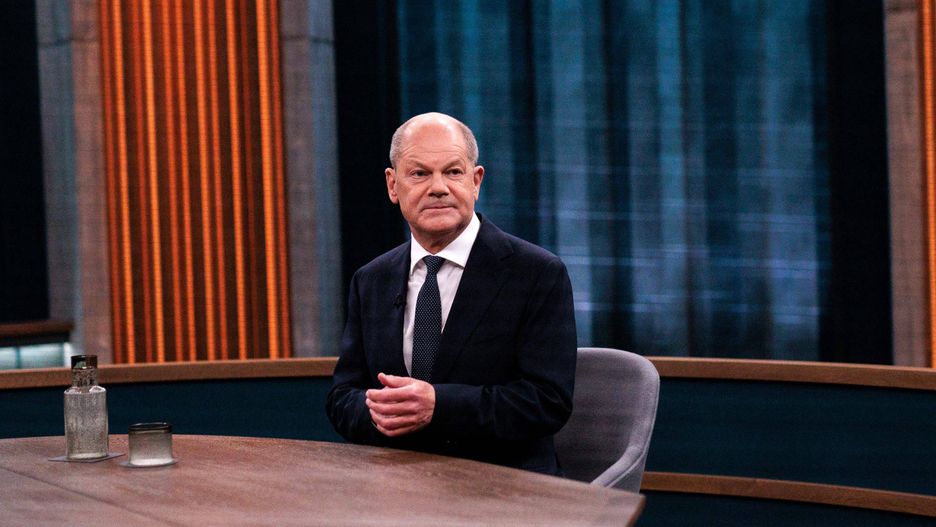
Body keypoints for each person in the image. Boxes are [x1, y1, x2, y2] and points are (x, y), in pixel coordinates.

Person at [326, 112, 577, 475]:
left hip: (503, 485)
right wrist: (383, 413)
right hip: (399, 484)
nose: (438, 187)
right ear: (393, 186)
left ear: (476, 181)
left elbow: (547, 401)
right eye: (420, 173)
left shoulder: (537, 274)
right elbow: (342, 397)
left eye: (453, 172)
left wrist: (439, 406)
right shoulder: (371, 280)